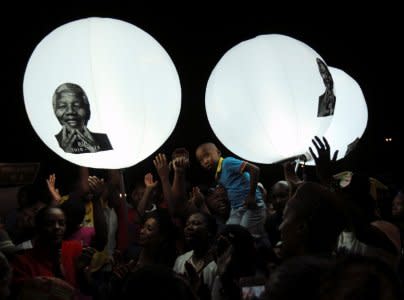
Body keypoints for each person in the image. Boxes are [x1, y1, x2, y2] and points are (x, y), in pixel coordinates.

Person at [195, 143, 266, 238]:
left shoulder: (227, 163)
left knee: (246, 237)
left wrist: (252, 195)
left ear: (218, 153)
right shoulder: (218, 176)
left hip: (251, 206)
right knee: (228, 234)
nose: (205, 161)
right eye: (201, 160)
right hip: (237, 208)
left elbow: (255, 169)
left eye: (207, 155)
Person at [52, 82, 113, 154]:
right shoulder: (50, 141)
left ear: (87, 109)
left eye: (77, 105)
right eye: (62, 106)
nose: (70, 111)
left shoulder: (105, 140)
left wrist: (96, 150)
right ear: (55, 110)